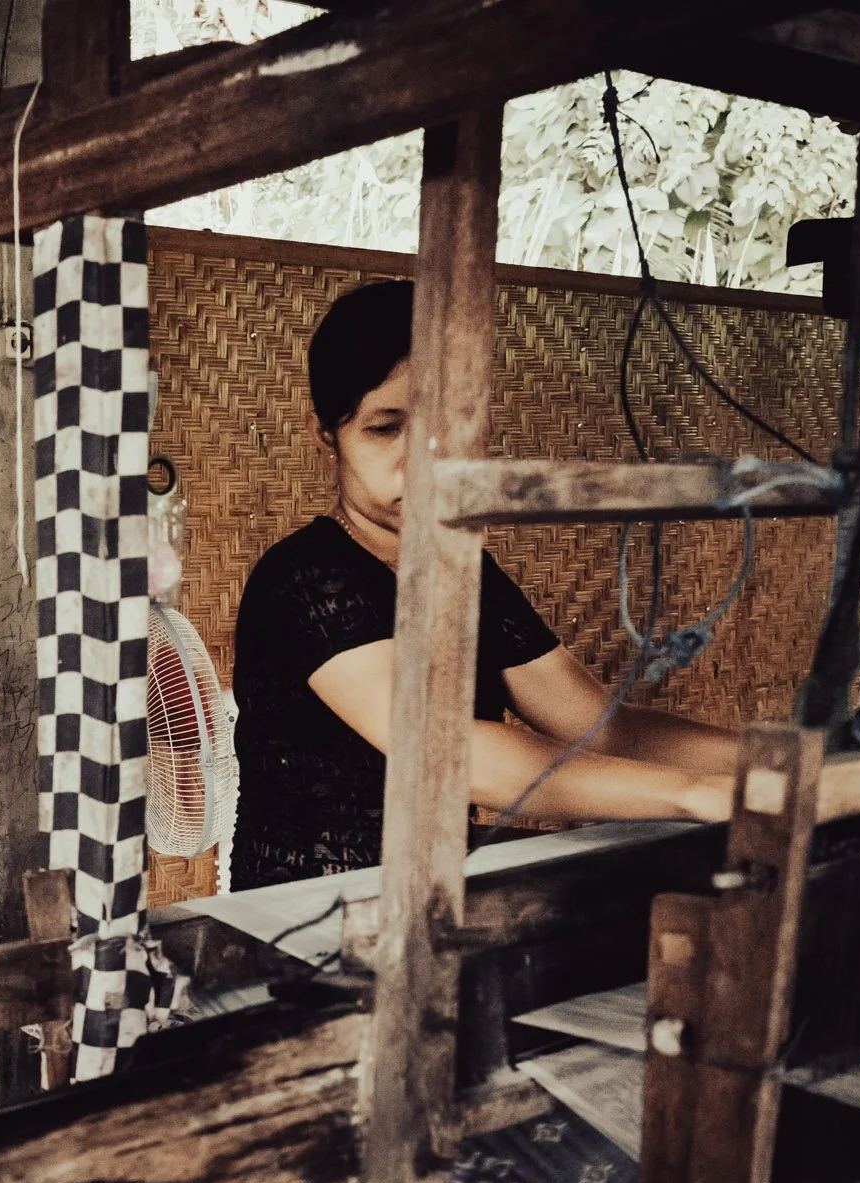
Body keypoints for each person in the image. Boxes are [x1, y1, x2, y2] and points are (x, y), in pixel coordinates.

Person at [232, 280, 740, 887]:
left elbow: (606, 729)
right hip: (298, 920)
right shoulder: (303, 579)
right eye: (385, 427)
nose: (420, 457)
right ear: (327, 436)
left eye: (442, 426)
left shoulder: (466, 574)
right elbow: (450, 754)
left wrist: (778, 762)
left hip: (431, 898)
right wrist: (694, 795)